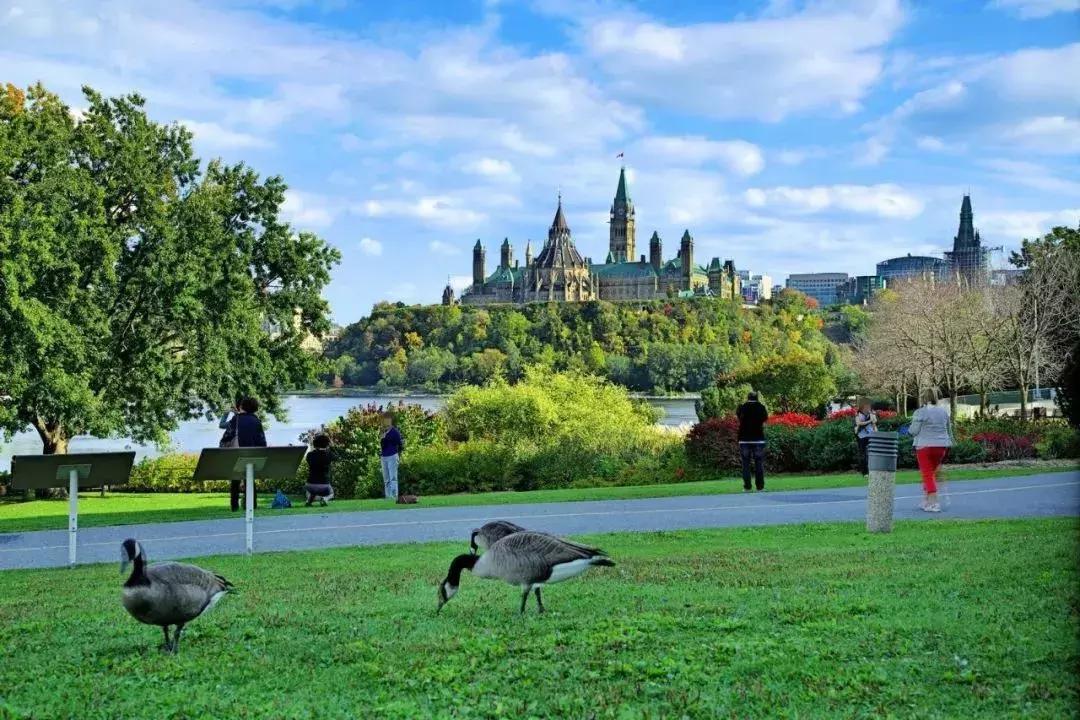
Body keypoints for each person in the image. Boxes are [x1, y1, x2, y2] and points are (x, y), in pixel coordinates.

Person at [220, 397, 267, 512]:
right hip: (252, 454)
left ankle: (234, 505)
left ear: (242, 406)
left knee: (235, 480)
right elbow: (261, 440)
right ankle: (252, 504)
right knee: (250, 480)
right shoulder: (256, 421)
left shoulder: (236, 419)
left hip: (237, 453)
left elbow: (227, 436)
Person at [909, 388, 952, 513]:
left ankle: (934, 502)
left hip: (924, 446)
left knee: (927, 474)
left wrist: (910, 430)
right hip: (941, 446)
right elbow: (948, 428)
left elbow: (913, 431)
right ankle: (926, 500)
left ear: (923, 398)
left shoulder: (920, 412)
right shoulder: (944, 412)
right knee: (931, 473)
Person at [736, 391, 769, 492]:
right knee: (758, 463)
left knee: (745, 464)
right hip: (758, 439)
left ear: (748, 397)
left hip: (744, 439)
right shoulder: (761, 407)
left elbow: (739, 417)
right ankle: (760, 487)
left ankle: (747, 487)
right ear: (757, 398)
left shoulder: (742, 408)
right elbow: (765, 418)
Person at [303, 433, 335, 507]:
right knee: (331, 494)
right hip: (324, 485)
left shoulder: (310, 455)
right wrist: (331, 447)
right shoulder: (329, 454)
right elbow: (336, 457)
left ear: (315, 444)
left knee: (313, 492)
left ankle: (308, 502)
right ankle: (325, 499)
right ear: (327, 444)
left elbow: (312, 457)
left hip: (310, 485)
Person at [379, 412, 404, 500]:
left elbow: (400, 444)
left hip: (392, 456)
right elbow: (382, 445)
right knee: (386, 479)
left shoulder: (395, 432)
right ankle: (388, 496)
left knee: (393, 477)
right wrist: (382, 438)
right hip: (384, 456)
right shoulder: (382, 432)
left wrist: (397, 455)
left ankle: (394, 496)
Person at [854, 399, 878, 478]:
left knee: (873, 453)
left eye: (869, 406)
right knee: (863, 454)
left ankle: (873, 471)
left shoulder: (871, 413)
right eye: (867, 406)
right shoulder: (858, 414)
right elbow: (858, 423)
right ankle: (865, 472)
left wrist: (872, 416)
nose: (869, 407)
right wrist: (869, 421)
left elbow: (874, 422)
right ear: (863, 406)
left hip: (871, 435)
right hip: (861, 436)